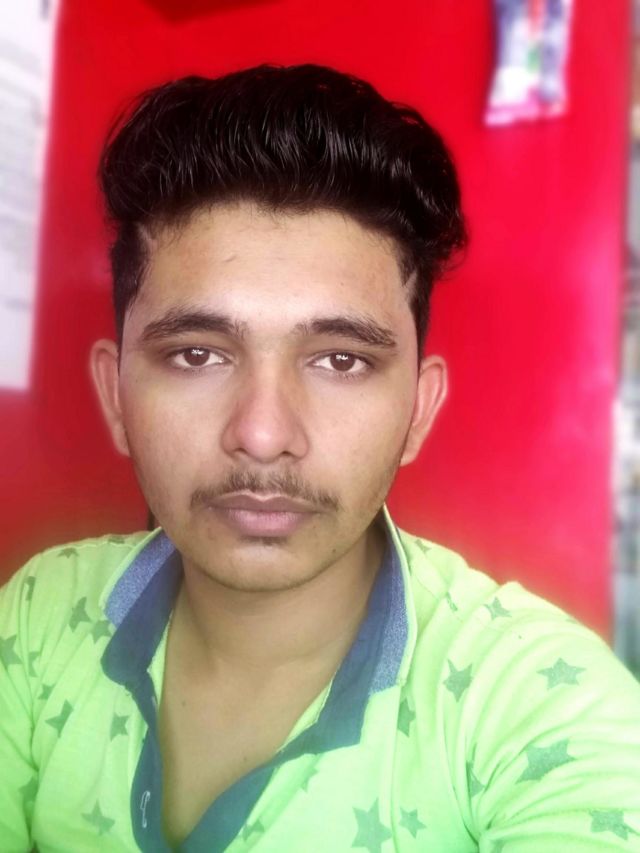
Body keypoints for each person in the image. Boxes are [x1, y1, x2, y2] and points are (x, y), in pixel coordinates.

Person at [1, 64, 639, 853]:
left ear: (418, 410)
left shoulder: (538, 706)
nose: (264, 433)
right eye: (198, 353)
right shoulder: (38, 617)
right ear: (114, 395)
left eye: (341, 360)